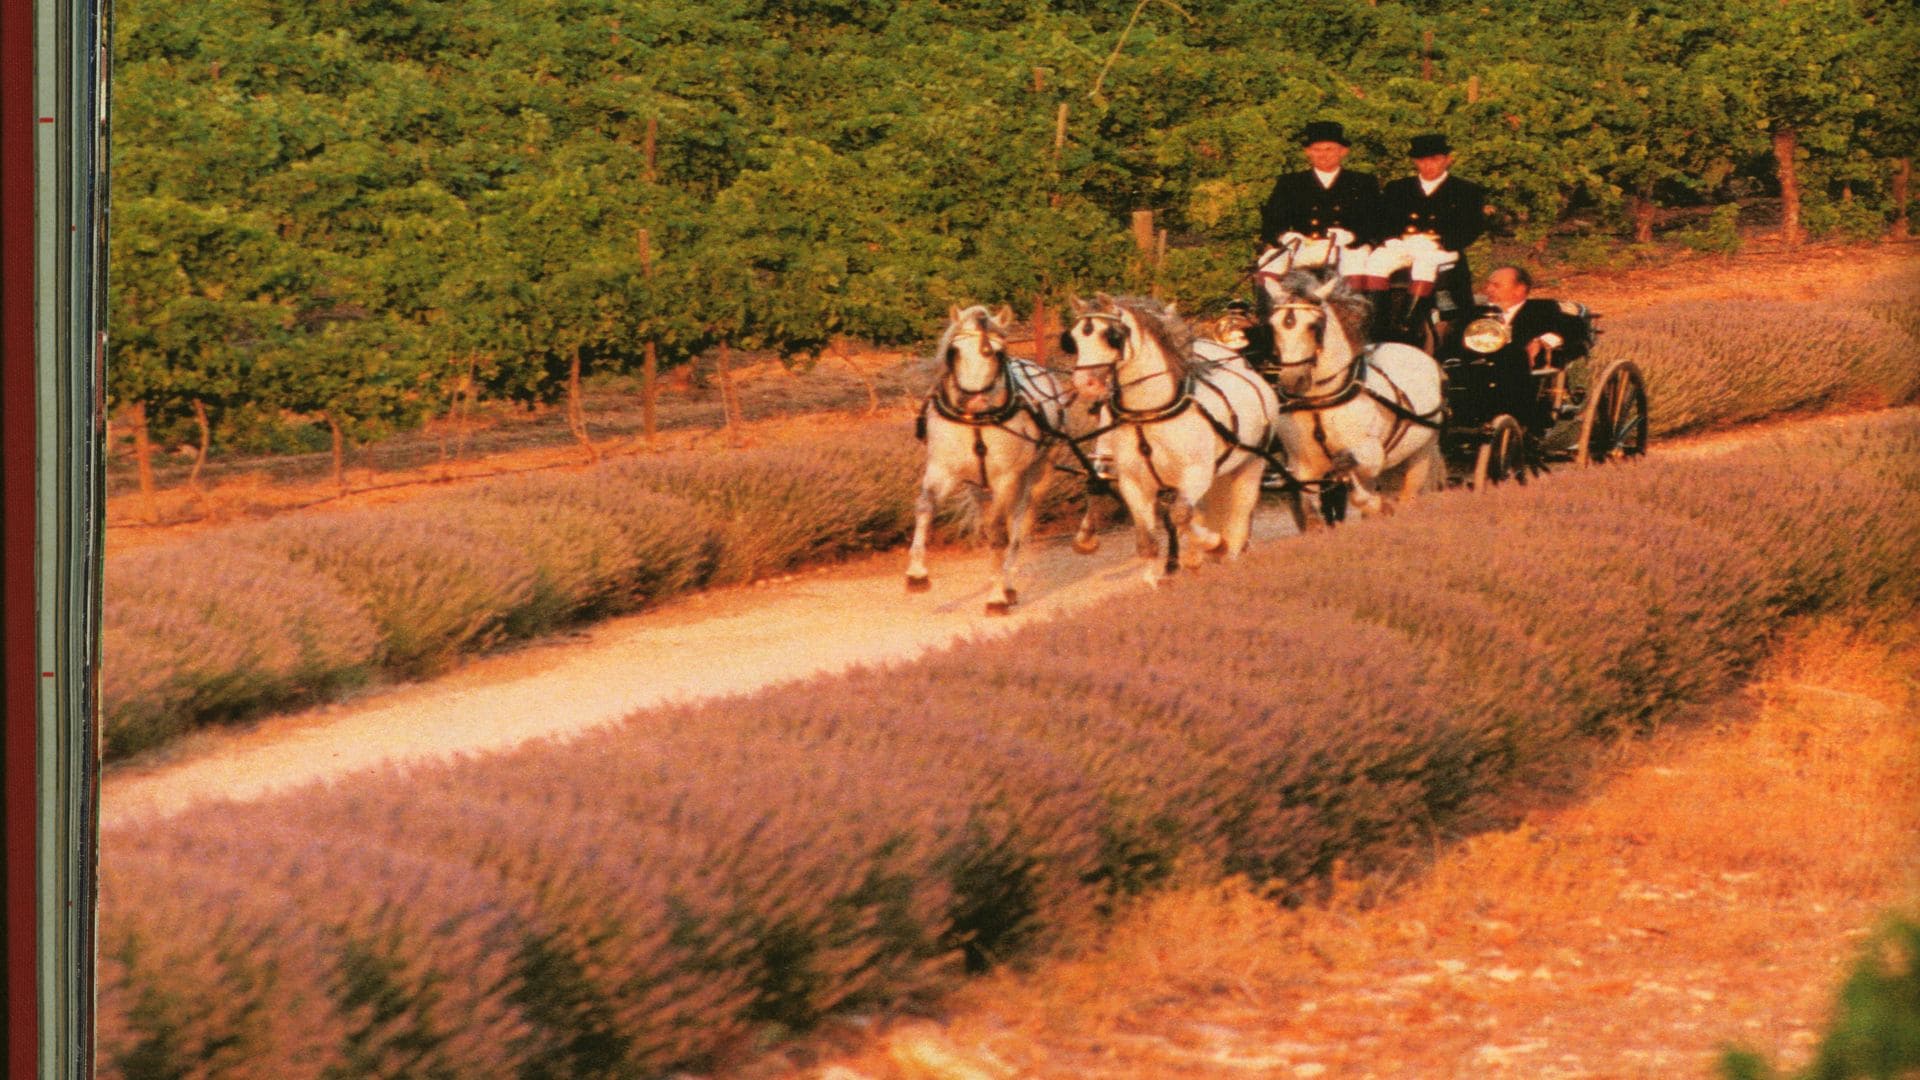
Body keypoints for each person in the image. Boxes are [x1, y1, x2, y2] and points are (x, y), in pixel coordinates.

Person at [1352, 133, 1488, 344]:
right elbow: (1381, 220)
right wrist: (1390, 239)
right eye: (1423, 160)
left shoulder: (1467, 190)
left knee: (1426, 264)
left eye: (1435, 159)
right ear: (1415, 161)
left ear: (1447, 159)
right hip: (1403, 244)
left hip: (1440, 249)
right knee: (1375, 261)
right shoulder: (1397, 188)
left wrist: (1442, 242)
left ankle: (1407, 321)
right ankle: (1376, 320)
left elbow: (1472, 226)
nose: (1429, 165)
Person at [1460, 264, 1587, 435]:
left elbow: (1576, 330)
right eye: (1488, 285)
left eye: (1496, 285)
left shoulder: (1543, 309)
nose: (1488, 289)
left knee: (1514, 356)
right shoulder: (1475, 313)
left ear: (1519, 289)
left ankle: (1520, 421)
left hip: (1524, 372)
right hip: (1476, 371)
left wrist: (1543, 341)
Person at [1256, 120, 1380, 277]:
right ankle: (1277, 302)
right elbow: (1271, 222)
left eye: (1329, 149)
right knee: (1269, 265)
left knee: (1354, 268)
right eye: (1317, 149)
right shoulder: (1290, 182)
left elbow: (1375, 221)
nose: (1323, 155)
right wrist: (1285, 235)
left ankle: (1349, 302)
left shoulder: (1362, 182)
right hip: (1302, 247)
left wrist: (1353, 236)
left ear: (1343, 151)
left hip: (1348, 248)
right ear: (1307, 151)